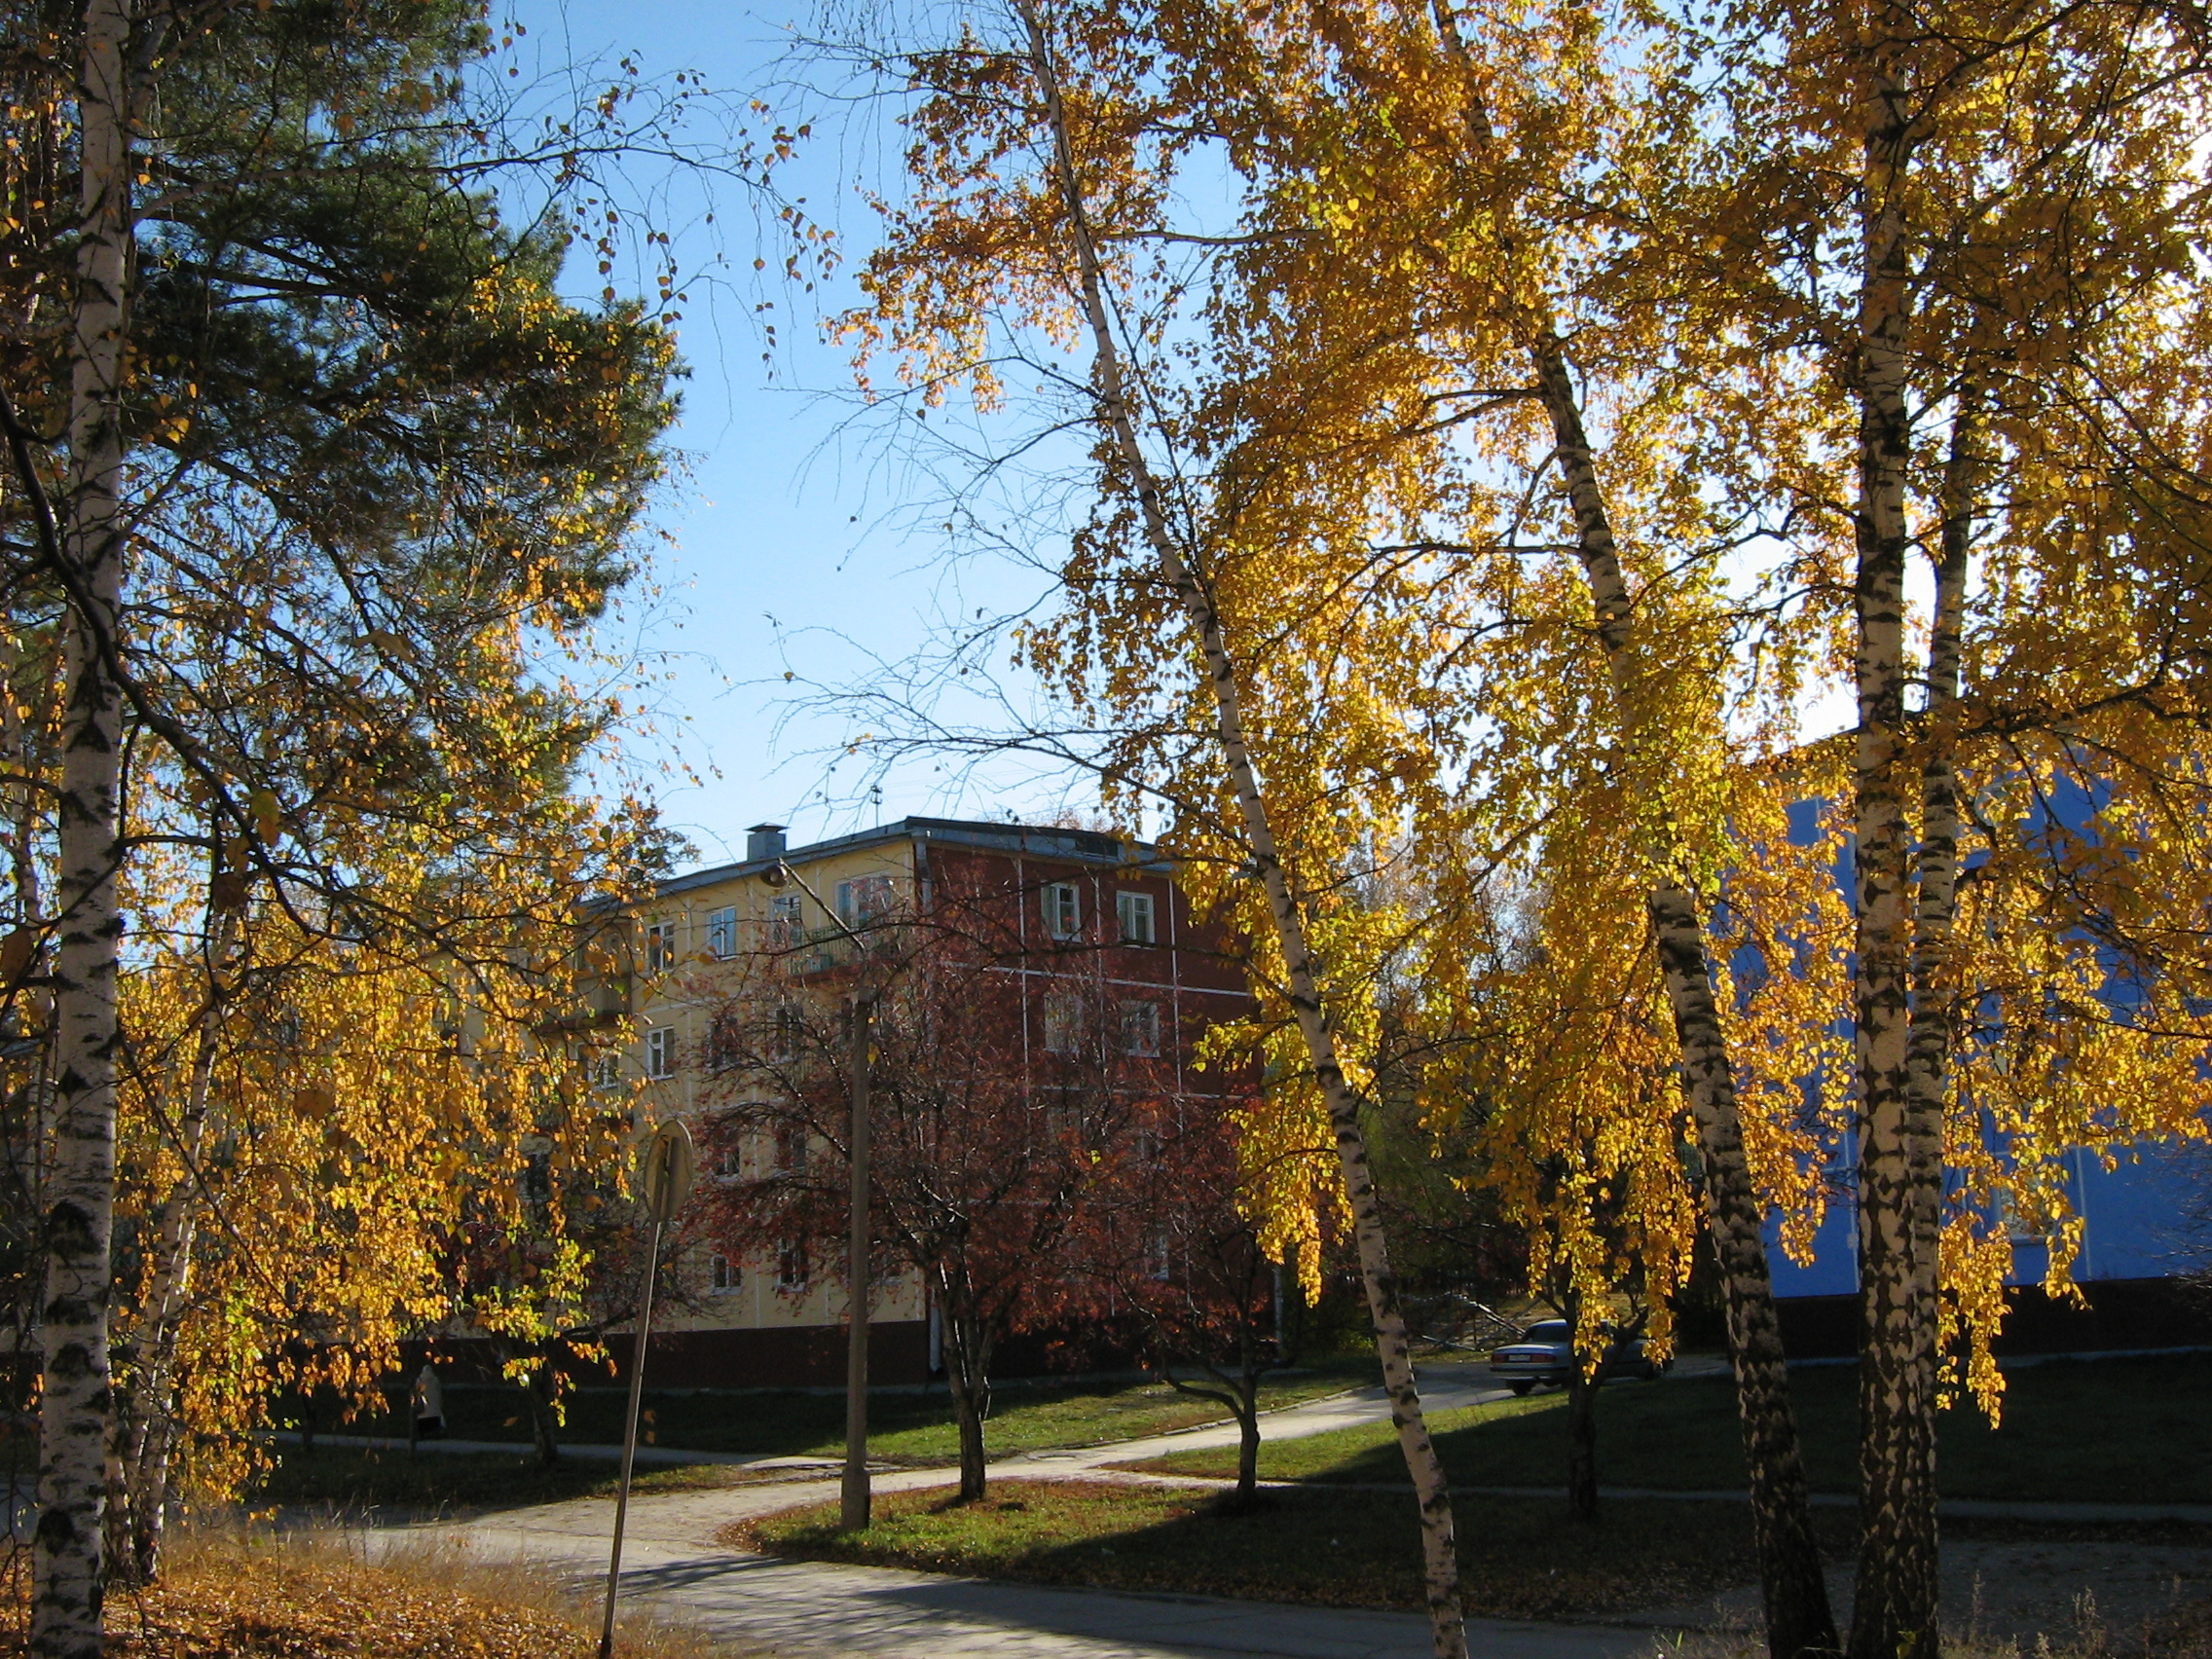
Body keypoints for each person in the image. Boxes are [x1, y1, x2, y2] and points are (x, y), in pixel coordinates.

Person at [410, 1363, 445, 1443]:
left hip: (424, 1406)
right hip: (434, 1407)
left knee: (423, 1419)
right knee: (434, 1419)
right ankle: (434, 1434)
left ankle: (422, 1435)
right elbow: (439, 1393)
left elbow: (416, 1392)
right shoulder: (435, 1380)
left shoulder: (420, 1380)